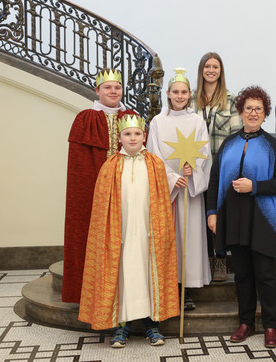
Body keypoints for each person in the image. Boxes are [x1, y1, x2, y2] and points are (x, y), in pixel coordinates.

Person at [78, 114, 179, 348]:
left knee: (146, 275)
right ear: (120, 138)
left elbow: (163, 201)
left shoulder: (155, 163)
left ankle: (151, 325)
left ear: (144, 137)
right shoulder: (110, 166)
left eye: (137, 134)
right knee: (123, 277)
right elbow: (102, 207)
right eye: (127, 134)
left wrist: (159, 230)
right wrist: (111, 233)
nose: (132, 138)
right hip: (120, 234)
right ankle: (120, 327)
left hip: (148, 233)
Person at [207, 86, 276, 349]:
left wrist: (254, 186)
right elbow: (215, 180)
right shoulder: (229, 144)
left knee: (265, 274)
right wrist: (212, 213)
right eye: (249, 108)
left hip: (264, 218)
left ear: (265, 114)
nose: (253, 113)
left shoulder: (272, 144)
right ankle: (246, 322)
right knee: (241, 274)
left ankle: (270, 325)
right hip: (234, 217)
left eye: (259, 109)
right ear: (240, 112)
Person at [63, 69, 137, 303]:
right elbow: (78, 167)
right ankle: (92, 295)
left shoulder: (131, 116)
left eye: (117, 87)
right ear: (97, 90)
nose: (113, 91)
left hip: (128, 192)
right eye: (108, 87)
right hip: (96, 193)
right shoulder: (85, 118)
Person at [147, 68, 212, 311]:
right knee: (168, 239)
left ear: (189, 94)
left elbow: (204, 153)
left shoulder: (196, 121)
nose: (180, 95)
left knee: (188, 240)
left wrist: (192, 171)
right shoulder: (157, 121)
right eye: (176, 91)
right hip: (169, 190)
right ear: (168, 93)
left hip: (189, 193)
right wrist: (172, 178)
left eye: (184, 92)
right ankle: (167, 287)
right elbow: (153, 154)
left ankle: (185, 290)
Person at [191, 52, 242, 282]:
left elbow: (236, 134)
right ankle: (206, 259)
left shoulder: (230, 100)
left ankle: (221, 259)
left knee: (219, 214)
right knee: (200, 215)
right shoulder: (191, 100)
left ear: (221, 71)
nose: (211, 70)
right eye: (207, 66)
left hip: (221, 167)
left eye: (216, 67)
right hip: (196, 167)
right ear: (202, 70)